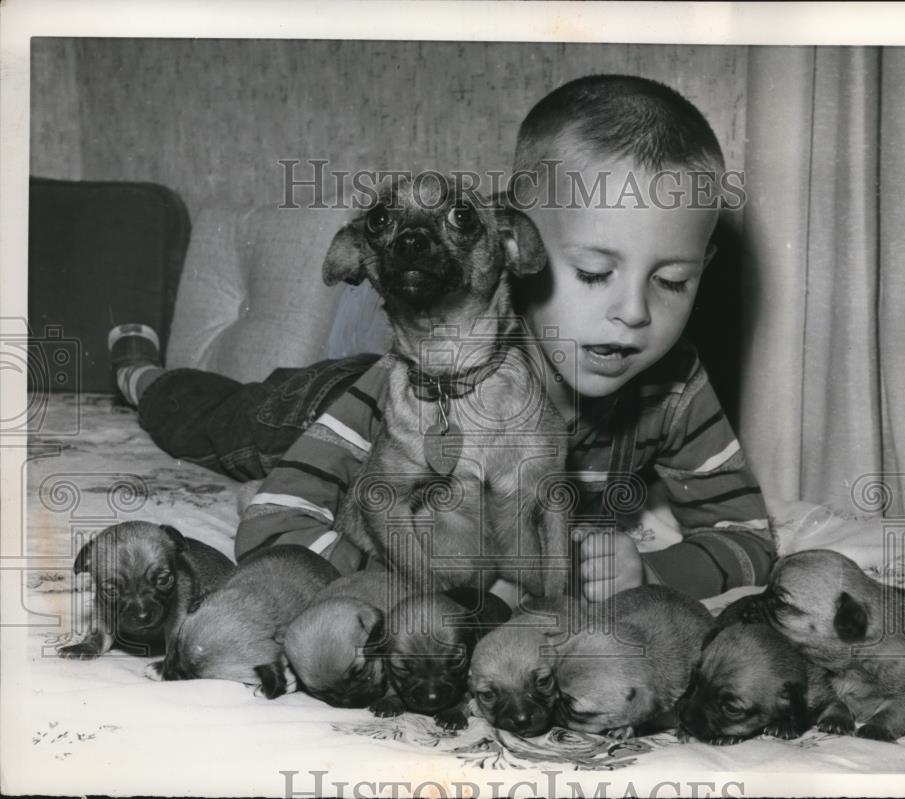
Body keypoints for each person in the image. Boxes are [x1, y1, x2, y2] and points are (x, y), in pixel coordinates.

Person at [110, 74, 775, 602]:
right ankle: (139, 369)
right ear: (513, 246)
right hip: (315, 397)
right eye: (595, 272)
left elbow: (746, 536)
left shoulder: (677, 388)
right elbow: (274, 520)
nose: (632, 311)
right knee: (219, 416)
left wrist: (656, 573)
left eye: (674, 280)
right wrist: (406, 580)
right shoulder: (417, 379)